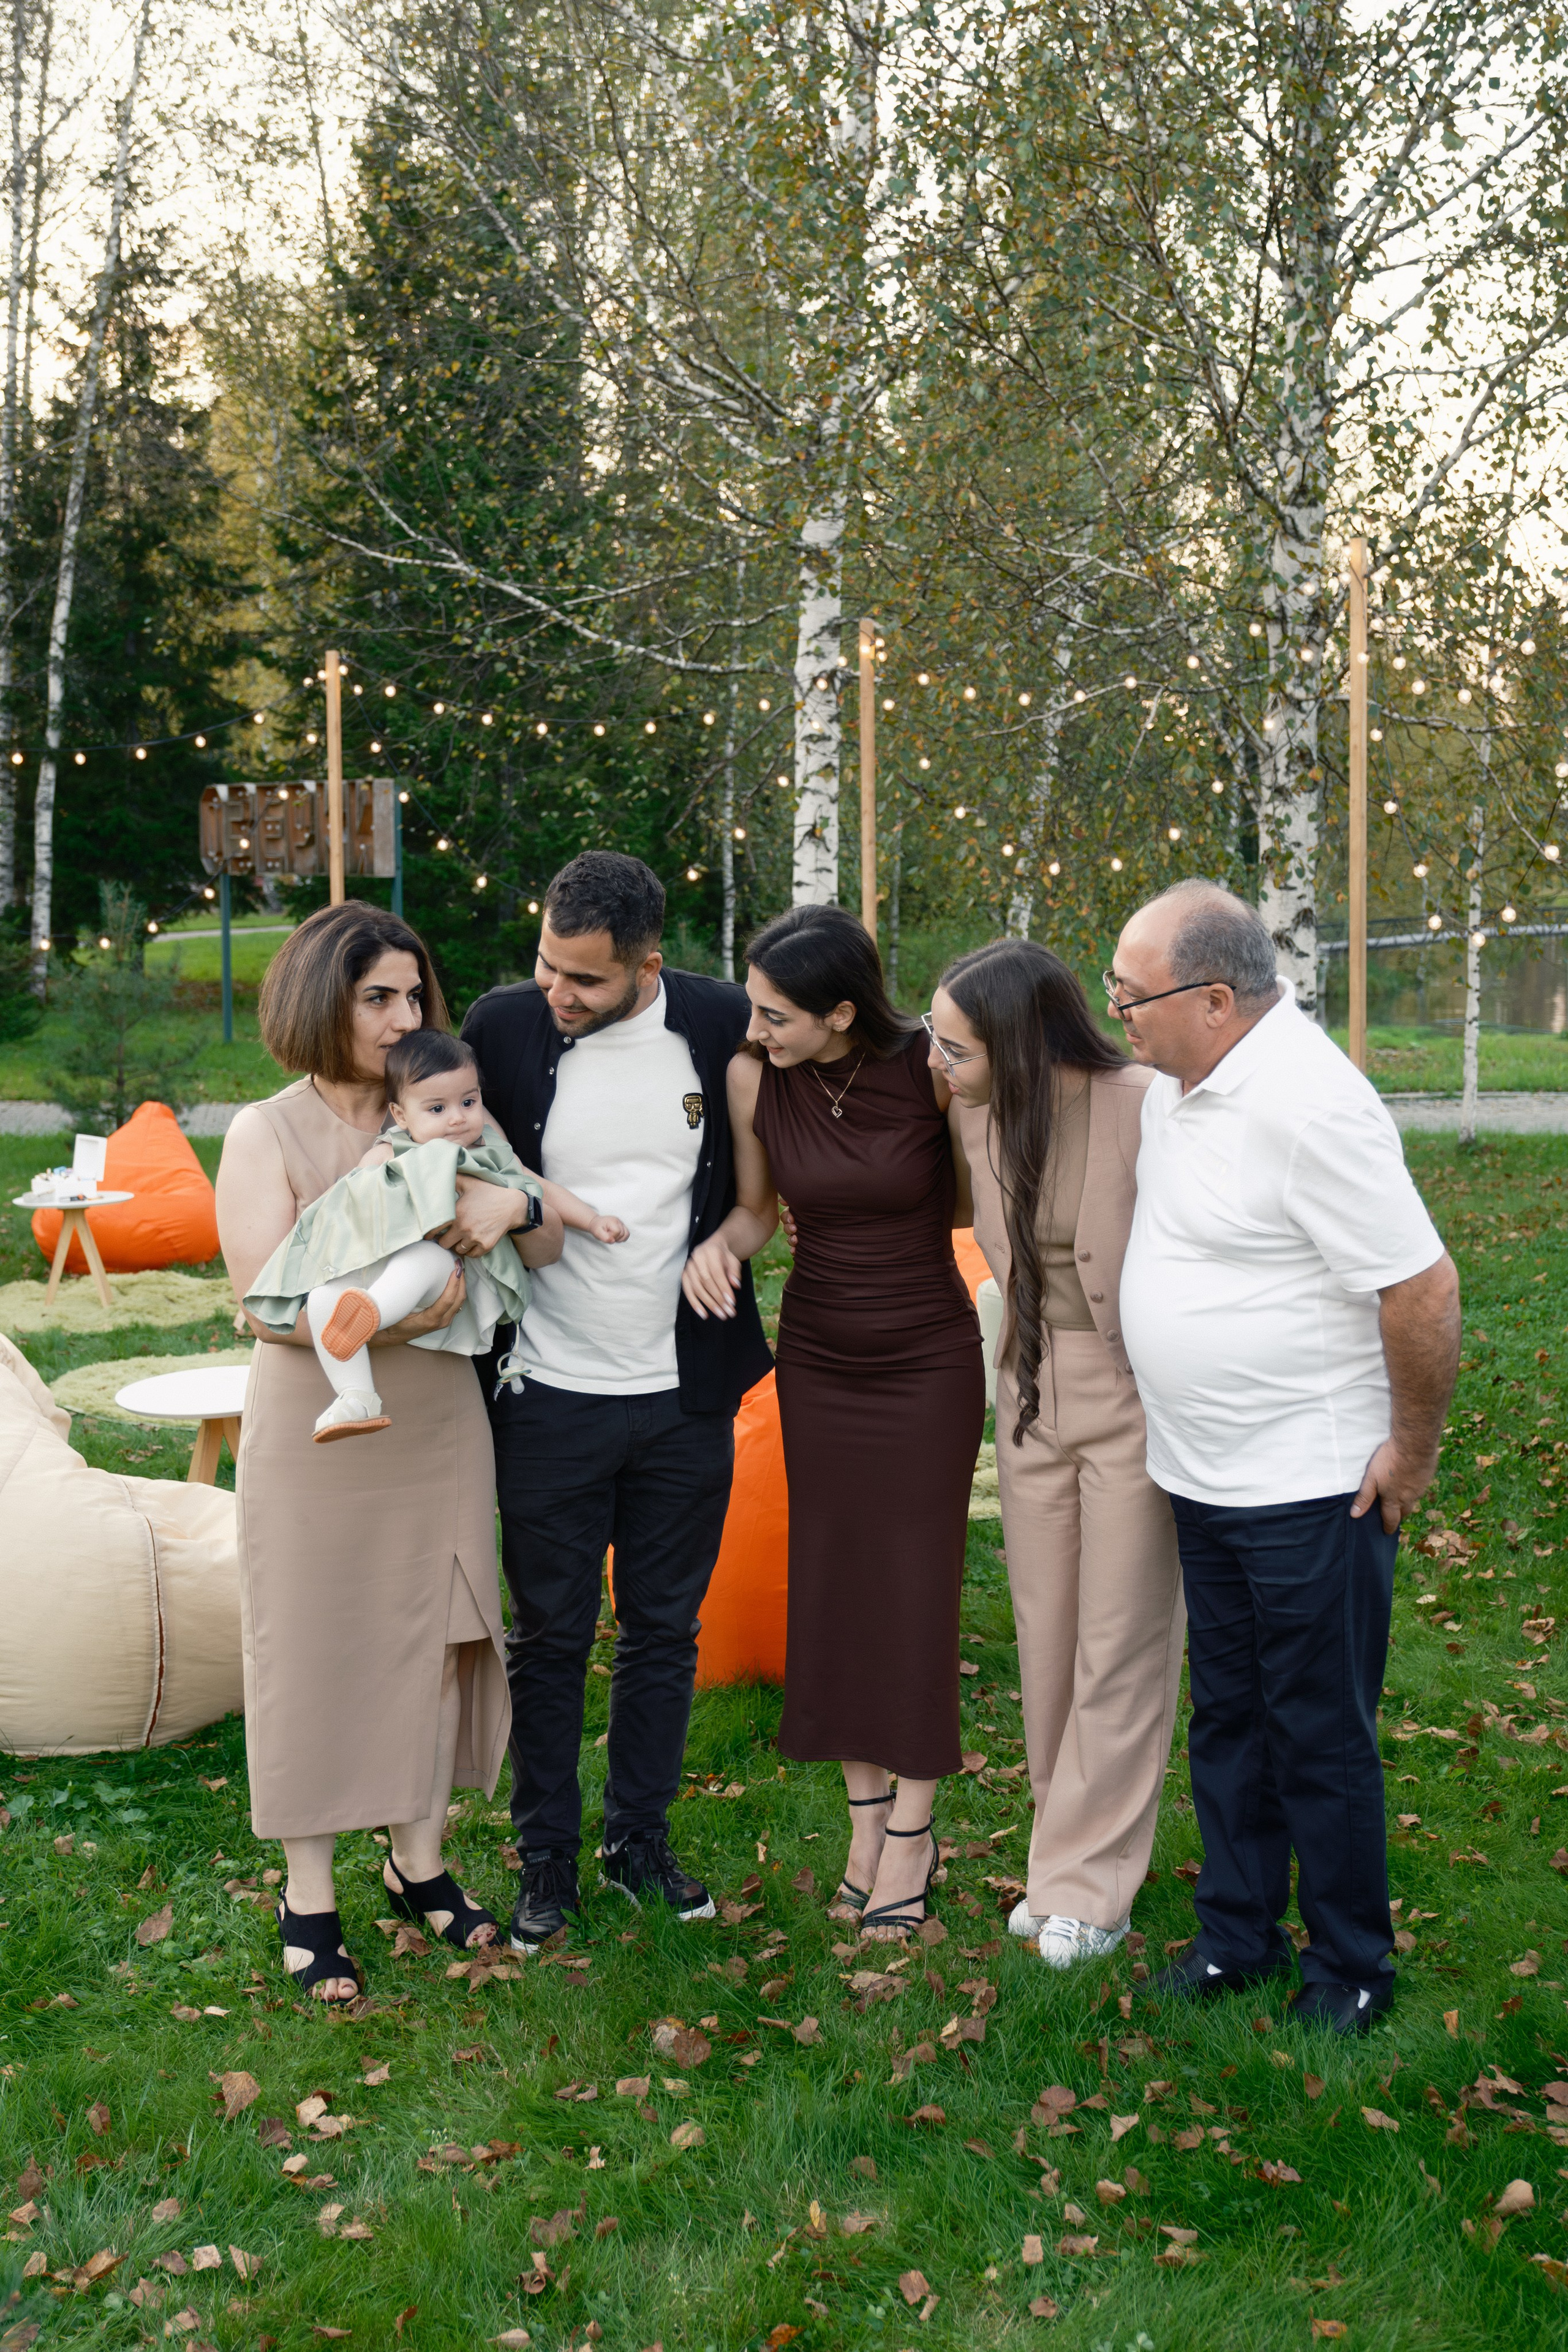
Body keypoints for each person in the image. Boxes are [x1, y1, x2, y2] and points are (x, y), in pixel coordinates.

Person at [1112, 879, 1460, 2034]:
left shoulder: (1311, 1105)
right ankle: (1237, 1937)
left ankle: (1352, 1966)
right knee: (1230, 1720)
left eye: (1132, 994)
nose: (1118, 1011)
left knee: (1317, 1732)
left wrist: (1410, 1453)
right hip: (1203, 1475)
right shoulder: (1179, 1087)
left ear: (1216, 1000)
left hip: (1311, 1488)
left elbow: (1422, 1286)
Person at [216, 902, 563, 2002]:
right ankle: (308, 1897)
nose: (405, 1017)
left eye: (415, 996)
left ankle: (420, 1864)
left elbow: (547, 1240)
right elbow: (263, 1304)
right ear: (322, 1001)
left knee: (436, 1636)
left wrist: (513, 1204)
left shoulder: (446, 1111)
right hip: (317, 1424)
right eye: (379, 998)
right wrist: (407, 1320)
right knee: (313, 1645)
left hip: (439, 1422)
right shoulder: (266, 1132)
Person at [462, 851, 772, 1951]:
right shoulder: (502, 1027)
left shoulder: (722, 1024)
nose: (557, 991)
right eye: (548, 964)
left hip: (685, 1395)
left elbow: (759, 1197)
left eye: (585, 979)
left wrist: (728, 1244)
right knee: (548, 1635)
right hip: (547, 1392)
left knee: (664, 1629)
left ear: (648, 965)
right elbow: (450, 1153)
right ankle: (546, 1853)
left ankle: (638, 1837)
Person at [683, 903, 984, 1941]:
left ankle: (914, 1832)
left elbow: (971, 1203)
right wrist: (721, 1246)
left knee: (916, 1589)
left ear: (843, 1012)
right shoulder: (750, 1080)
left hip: (927, 1359)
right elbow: (757, 1211)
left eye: (775, 1015)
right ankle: (865, 1827)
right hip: (818, 1357)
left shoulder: (931, 1070)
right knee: (837, 1584)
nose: (753, 1029)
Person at [931, 940, 1185, 1968]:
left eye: (955, 1047)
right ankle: (1060, 1860)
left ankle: (1095, 1889)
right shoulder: (974, 1108)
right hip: (1028, 1393)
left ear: (1022, 1041)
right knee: (1047, 1638)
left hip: (1134, 1396)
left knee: (1120, 1641)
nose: (937, 1061)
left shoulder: (1145, 1105)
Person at [243, 1031, 618, 1442]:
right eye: (438, 1109)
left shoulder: (492, 1153)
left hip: (460, 1273)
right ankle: (356, 1396)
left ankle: (369, 1312)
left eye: (469, 1102)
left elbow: (540, 1188)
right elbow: (349, 1204)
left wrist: (592, 1220)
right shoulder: (390, 1152)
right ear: (401, 1116)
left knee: (425, 1258)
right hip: (390, 1276)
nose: (457, 1118)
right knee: (324, 1297)